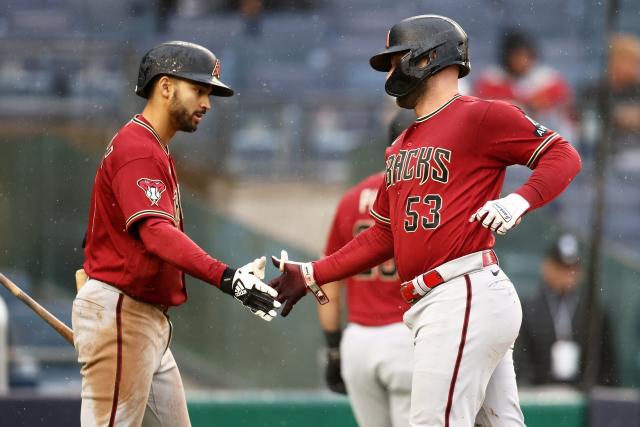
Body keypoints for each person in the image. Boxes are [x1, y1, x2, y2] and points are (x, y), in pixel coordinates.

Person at [270, 15, 582, 427]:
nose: (393, 71)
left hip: (462, 290)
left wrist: (518, 202)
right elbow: (383, 234)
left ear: (431, 57)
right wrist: (312, 274)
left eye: (398, 59)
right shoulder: (401, 142)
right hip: (445, 299)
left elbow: (564, 155)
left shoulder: (481, 115)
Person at [73, 41, 280, 427]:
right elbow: (155, 234)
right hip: (124, 313)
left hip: (142, 318)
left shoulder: (151, 146)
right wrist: (227, 277)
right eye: (199, 90)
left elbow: (108, 234)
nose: (207, 103)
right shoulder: (138, 148)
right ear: (165, 86)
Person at [317, 110, 414, 427]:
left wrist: (333, 347)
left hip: (358, 341)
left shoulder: (352, 197)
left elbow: (327, 280)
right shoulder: (428, 199)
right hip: (409, 337)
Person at [514, 233, 618, 387]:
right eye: (560, 268)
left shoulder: (593, 311)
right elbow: (521, 362)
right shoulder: (528, 309)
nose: (567, 275)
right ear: (546, 267)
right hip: (539, 394)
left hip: (582, 397)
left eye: (572, 269)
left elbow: (606, 364)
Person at [473, 29, 575, 141]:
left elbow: (564, 104)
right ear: (507, 57)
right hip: (504, 141)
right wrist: (525, 104)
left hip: (543, 142)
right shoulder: (492, 79)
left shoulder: (548, 80)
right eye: (517, 56)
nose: (522, 60)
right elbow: (487, 108)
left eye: (526, 55)